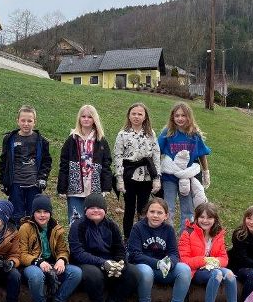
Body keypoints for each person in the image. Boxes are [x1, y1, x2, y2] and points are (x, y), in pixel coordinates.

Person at [67, 193, 135, 302]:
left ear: (105, 210)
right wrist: (103, 263)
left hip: (109, 262)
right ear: (85, 210)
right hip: (85, 262)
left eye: (99, 207)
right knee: (94, 274)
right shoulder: (78, 225)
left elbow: (119, 248)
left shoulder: (111, 225)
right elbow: (78, 252)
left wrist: (120, 262)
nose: (96, 210)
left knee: (132, 272)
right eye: (91, 208)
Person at [127, 197, 192, 302]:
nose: (155, 215)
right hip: (145, 268)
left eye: (159, 212)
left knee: (184, 269)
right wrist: (157, 263)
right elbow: (135, 255)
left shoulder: (168, 230)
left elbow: (174, 253)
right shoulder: (138, 228)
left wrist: (170, 263)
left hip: (164, 269)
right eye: (152, 212)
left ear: (166, 216)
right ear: (146, 213)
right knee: (146, 271)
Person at [17, 195, 81, 302]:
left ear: (50, 213)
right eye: (38, 212)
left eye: (46, 212)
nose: (42, 215)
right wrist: (38, 261)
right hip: (32, 264)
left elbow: (63, 250)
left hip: (52, 263)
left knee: (75, 272)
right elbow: (22, 254)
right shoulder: (25, 228)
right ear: (33, 213)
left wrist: (62, 259)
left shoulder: (56, 228)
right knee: (36, 275)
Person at [178, 203, 239, 302]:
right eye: (202, 217)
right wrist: (204, 260)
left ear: (215, 219)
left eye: (209, 217)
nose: (205, 221)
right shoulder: (188, 233)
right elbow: (185, 260)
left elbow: (224, 258)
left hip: (212, 267)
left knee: (229, 274)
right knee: (217, 274)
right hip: (196, 271)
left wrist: (216, 261)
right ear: (196, 217)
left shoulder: (217, 234)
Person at [158, 102, 211, 231]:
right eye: (177, 115)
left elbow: (202, 154)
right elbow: (156, 151)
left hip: (187, 177)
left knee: (187, 210)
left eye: (183, 115)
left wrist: (206, 172)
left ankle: (185, 240)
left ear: (189, 117)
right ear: (172, 117)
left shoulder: (194, 135)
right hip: (169, 177)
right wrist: (156, 171)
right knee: (168, 208)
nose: (180, 118)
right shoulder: (168, 132)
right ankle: (167, 238)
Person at [57, 104, 112, 222]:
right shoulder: (71, 139)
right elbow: (64, 164)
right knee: (75, 221)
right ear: (79, 119)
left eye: (89, 117)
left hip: (94, 189)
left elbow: (106, 164)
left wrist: (106, 186)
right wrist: (62, 187)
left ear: (94, 119)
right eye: (83, 116)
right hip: (75, 190)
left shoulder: (101, 141)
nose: (86, 119)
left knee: (93, 222)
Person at [113, 102, 161, 238]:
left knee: (143, 209)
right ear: (129, 116)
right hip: (129, 175)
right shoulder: (123, 134)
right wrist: (119, 179)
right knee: (129, 208)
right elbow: (118, 156)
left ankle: (142, 237)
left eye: (140, 114)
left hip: (145, 176)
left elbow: (156, 156)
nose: (136, 117)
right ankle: (127, 238)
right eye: (133, 114)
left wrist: (156, 178)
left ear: (145, 117)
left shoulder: (150, 134)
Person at [0, 105, 52, 222]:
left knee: (33, 215)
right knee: (16, 215)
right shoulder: (10, 139)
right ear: (17, 121)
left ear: (35, 122)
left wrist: (43, 177)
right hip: (15, 183)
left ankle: (32, 238)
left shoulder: (41, 141)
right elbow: (4, 161)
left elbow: (46, 162)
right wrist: (3, 180)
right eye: (23, 120)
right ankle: (17, 238)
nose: (26, 124)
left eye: (29, 121)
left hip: (34, 184)